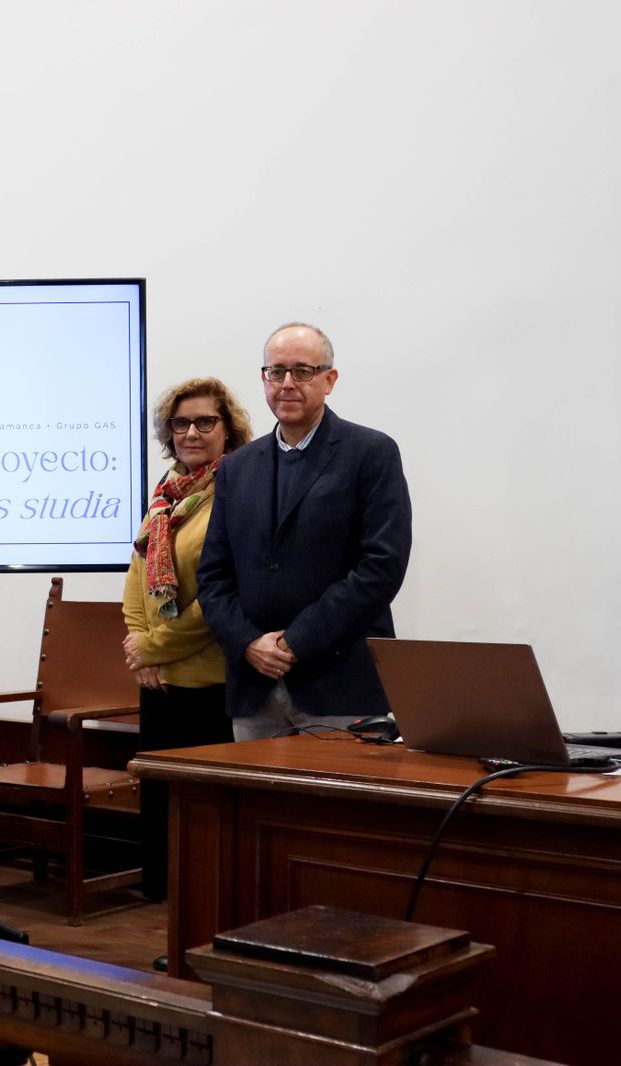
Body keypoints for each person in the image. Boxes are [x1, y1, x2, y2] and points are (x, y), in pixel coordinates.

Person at [197, 323, 412, 740]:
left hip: (339, 684)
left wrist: (296, 641)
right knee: (257, 807)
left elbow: (380, 567)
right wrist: (247, 643)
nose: (287, 384)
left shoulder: (370, 453)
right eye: (276, 372)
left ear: (329, 380)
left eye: (303, 371)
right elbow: (213, 577)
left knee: (335, 807)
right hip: (254, 686)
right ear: (264, 379)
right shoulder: (237, 468)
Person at [122, 377, 251, 903]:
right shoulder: (166, 497)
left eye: (205, 422)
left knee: (205, 820)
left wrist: (153, 648)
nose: (192, 432)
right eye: (181, 423)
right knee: (161, 809)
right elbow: (136, 583)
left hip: (211, 685)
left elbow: (222, 598)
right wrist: (139, 647)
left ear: (228, 430)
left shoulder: (237, 492)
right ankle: (165, 914)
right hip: (160, 683)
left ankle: (200, 916)